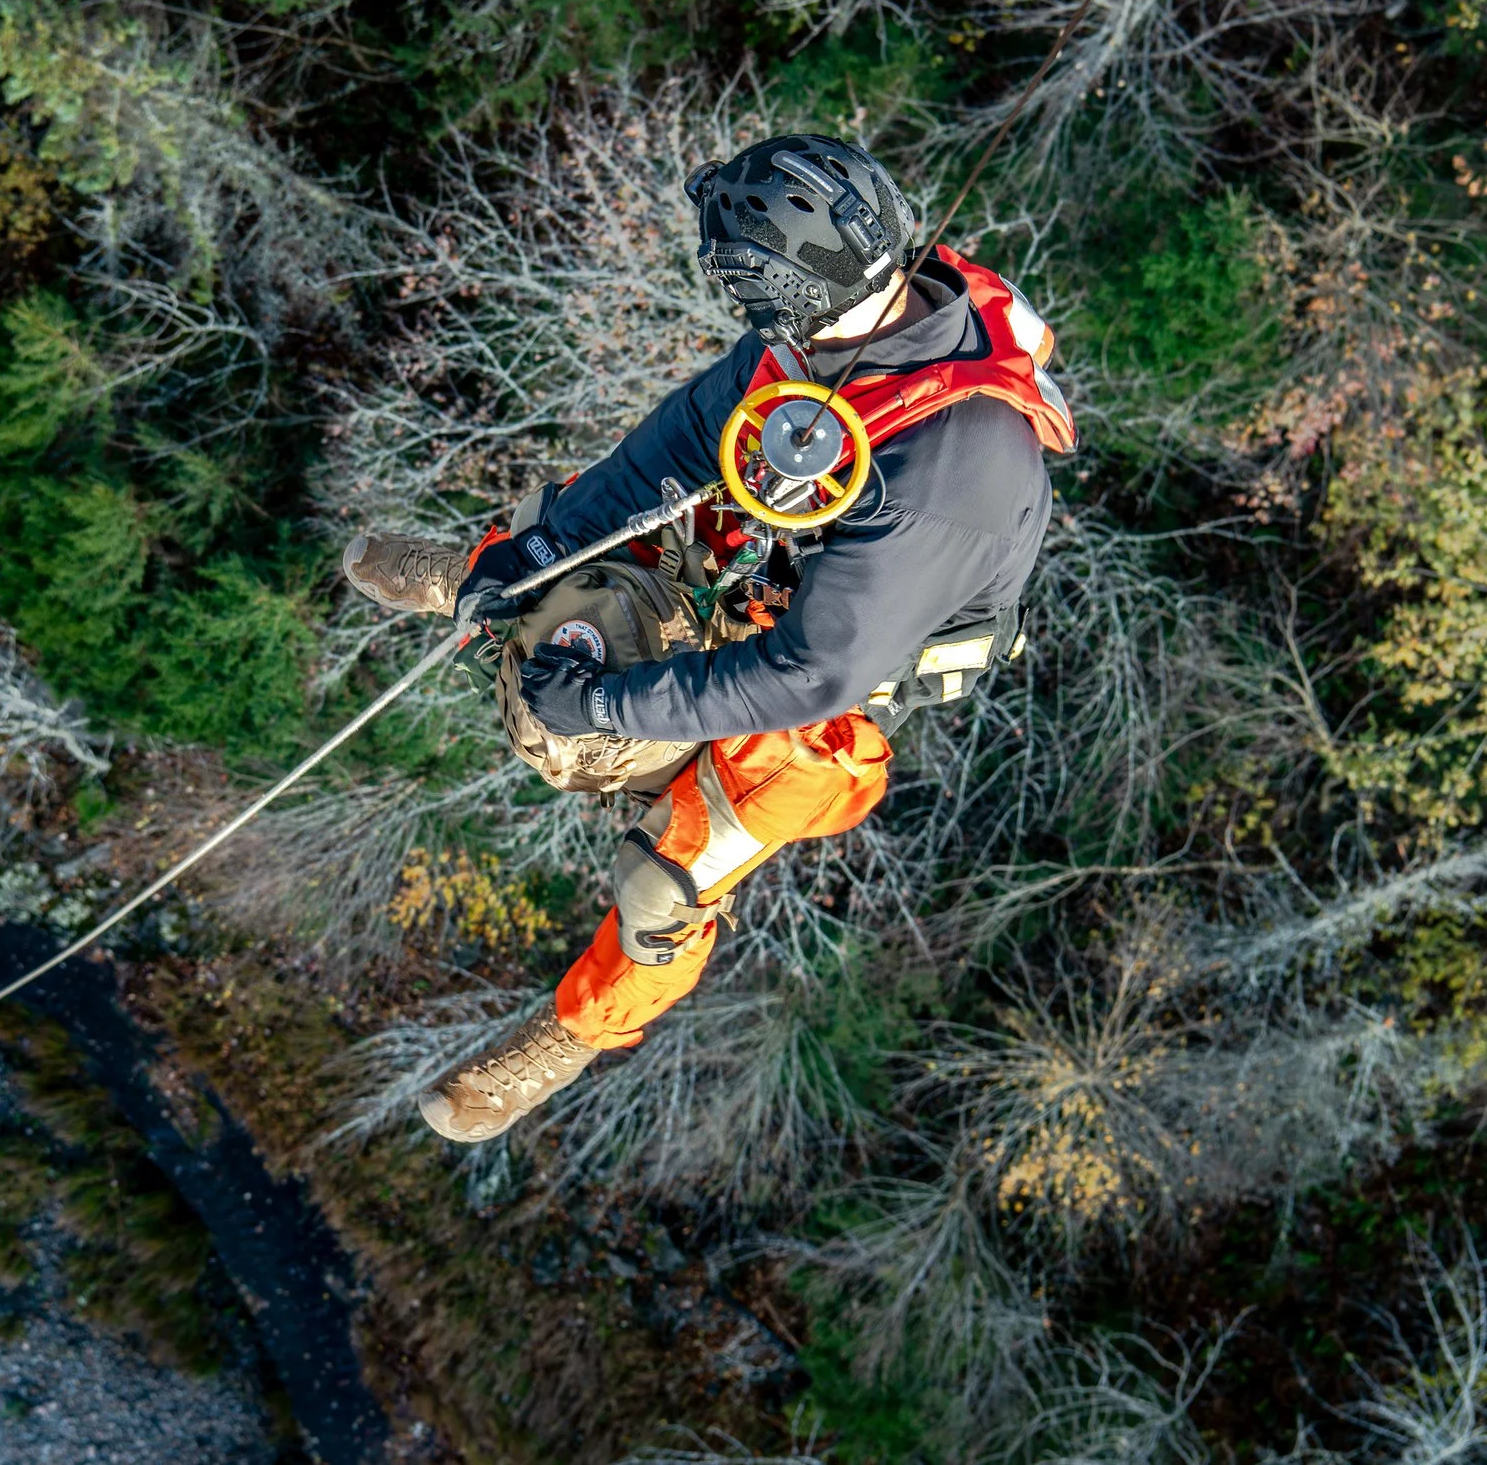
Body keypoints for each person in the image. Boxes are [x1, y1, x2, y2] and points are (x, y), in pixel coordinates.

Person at [341, 134, 1075, 1142]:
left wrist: (604, 706)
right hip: (770, 565)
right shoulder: (844, 328)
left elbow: (809, 673)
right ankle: (479, 585)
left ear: (775, 287)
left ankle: (571, 1036)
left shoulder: (946, 473)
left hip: (835, 680)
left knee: (663, 879)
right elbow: (683, 439)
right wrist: (537, 553)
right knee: (560, 559)